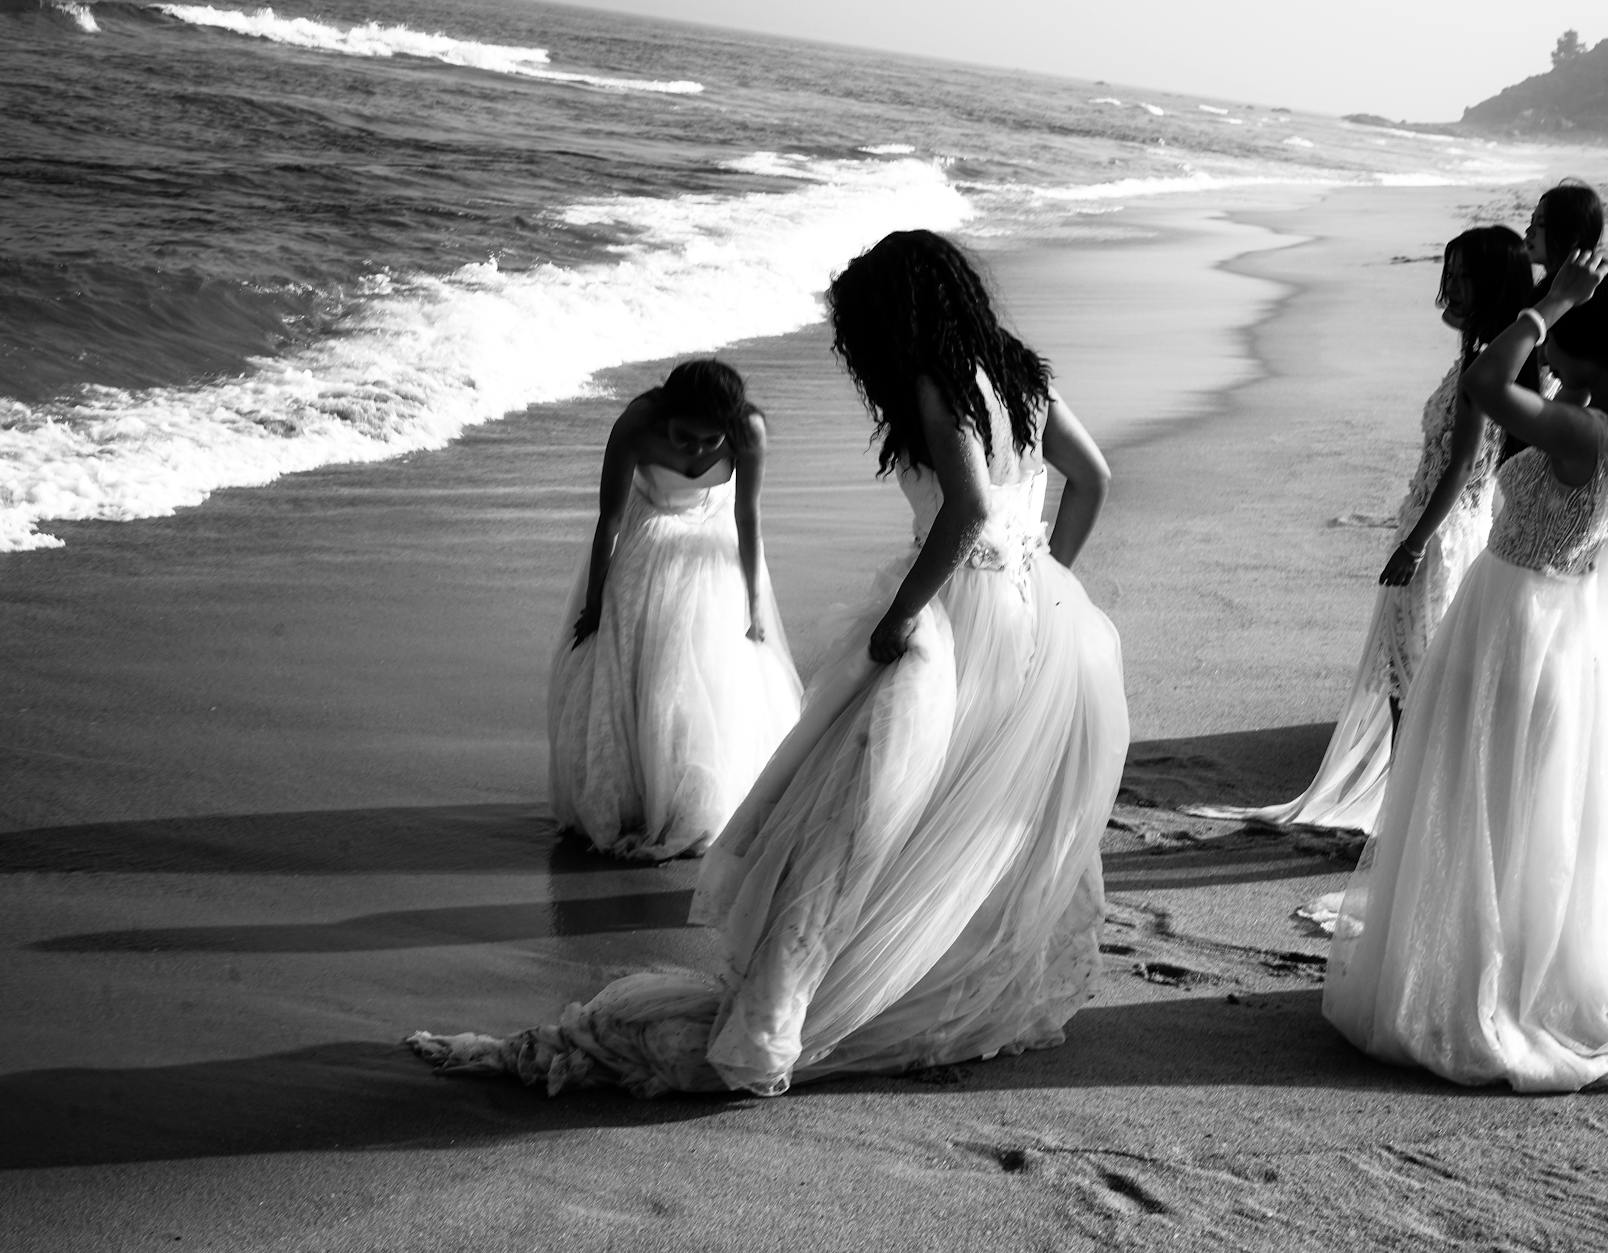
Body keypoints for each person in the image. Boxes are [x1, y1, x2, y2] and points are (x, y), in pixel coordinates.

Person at [409, 230, 1129, 1097]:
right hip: (1033, 625)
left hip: (951, 620)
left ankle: (800, 1009)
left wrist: (901, 615)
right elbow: (1092, 479)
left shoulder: (941, 382)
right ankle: (937, 983)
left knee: (858, 817)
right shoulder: (1024, 377)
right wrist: (1049, 581)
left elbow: (969, 506)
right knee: (964, 817)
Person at [1321, 250, 1608, 1092]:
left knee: (1499, 798)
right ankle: (1496, 956)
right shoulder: (1600, 422)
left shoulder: (1588, 433)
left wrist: (1548, 305)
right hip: (1530, 618)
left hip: (1520, 627)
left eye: (1564, 338)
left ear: (1589, 350)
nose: (1547, 347)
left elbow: (1487, 387)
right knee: (1513, 806)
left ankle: (1500, 981)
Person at [1189, 226, 1532, 837]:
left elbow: (1461, 466)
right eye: (1446, 275)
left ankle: (1407, 827)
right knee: (1416, 680)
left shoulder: (1486, 363)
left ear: (1494, 284)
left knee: (1414, 684)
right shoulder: (1489, 355)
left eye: (1463, 278)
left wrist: (1415, 543)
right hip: (1450, 527)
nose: (1449, 289)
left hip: (1442, 535)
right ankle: (1415, 820)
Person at [546, 359, 802, 862]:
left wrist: (754, 602)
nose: (698, 451)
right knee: (630, 672)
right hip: (645, 539)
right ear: (665, 414)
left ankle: (689, 800)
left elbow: (747, 518)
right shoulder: (635, 423)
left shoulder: (749, 430)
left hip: (712, 548)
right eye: (686, 438)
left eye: (711, 442)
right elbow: (610, 519)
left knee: (700, 678)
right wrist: (595, 598)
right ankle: (631, 799)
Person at [1525, 179, 1604, 283]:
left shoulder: (1591, 293)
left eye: (1541, 224)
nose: (1528, 231)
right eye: (1531, 222)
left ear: (1573, 236)